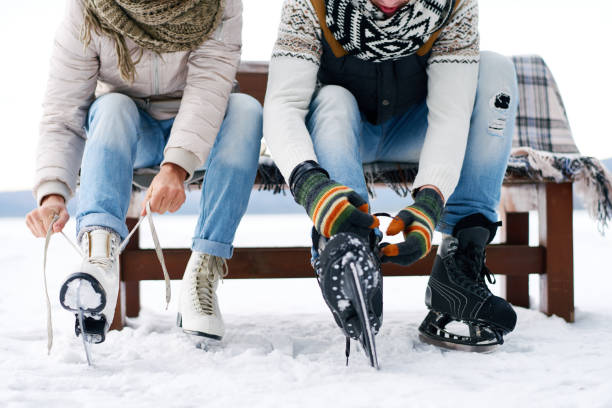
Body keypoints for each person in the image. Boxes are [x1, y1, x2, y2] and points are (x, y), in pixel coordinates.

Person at [263, 0, 519, 362]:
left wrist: (430, 200)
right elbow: (284, 103)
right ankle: (348, 247)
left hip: (417, 128)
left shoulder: (455, 5)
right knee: (334, 99)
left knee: (495, 70)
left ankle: (460, 262)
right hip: (341, 130)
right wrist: (310, 185)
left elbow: (451, 114)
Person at [25, 0, 262, 345]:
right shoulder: (87, 8)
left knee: (246, 110)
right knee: (112, 106)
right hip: (134, 133)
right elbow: (63, 109)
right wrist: (52, 193)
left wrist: (176, 166)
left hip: (204, 135)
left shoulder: (218, 3)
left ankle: (203, 271)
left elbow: (210, 86)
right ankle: (100, 257)